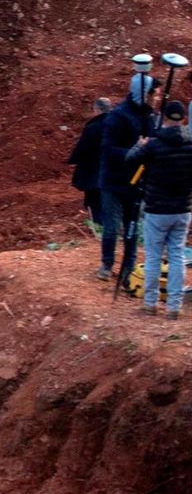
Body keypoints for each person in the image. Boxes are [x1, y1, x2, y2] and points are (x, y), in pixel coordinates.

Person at [125, 100, 192, 318]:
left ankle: (150, 303)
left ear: (163, 117)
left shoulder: (154, 145)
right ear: (183, 119)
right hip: (183, 209)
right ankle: (174, 306)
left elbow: (130, 161)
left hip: (156, 209)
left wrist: (140, 144)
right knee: (177, 255)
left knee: (153, 257)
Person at [97, 74, 159, 283]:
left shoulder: (149, 118)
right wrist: (134, 150)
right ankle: (107, 264)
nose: (157, 98)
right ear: (144, 94)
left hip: (137, 180)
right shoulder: (118, 117)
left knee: (132, 226)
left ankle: (129, 268)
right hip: (114, 180)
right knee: (113, 226)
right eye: (154, 94)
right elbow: (107, 148)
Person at [67, 97, 112, 230]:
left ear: (97, 109)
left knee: (94, 201)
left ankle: (99, 227)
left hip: (94, 172)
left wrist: (72, 159)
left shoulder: (92, 127)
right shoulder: (118, 124)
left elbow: (82, 148)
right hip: (113, 171)